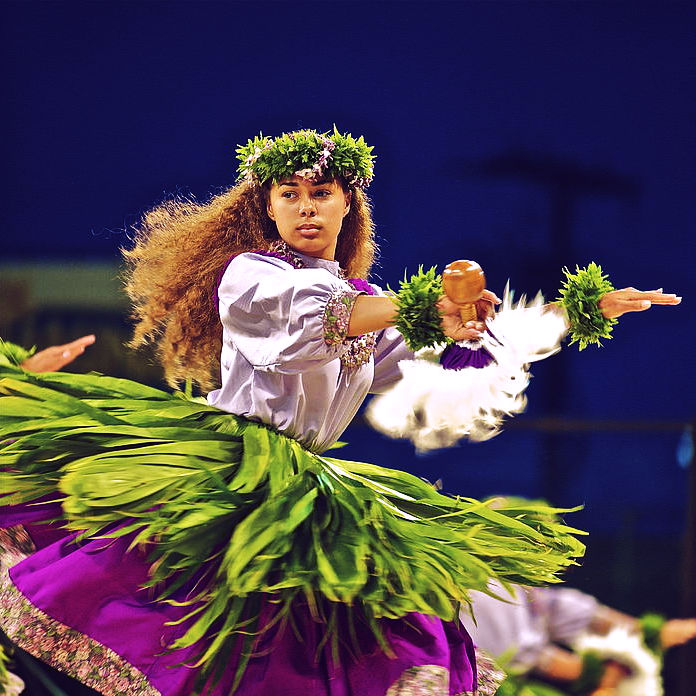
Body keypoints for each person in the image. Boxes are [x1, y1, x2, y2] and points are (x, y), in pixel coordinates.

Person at [0, 128, 680, 696]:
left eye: (320, 193)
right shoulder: (251, 275)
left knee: (353, 627)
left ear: (346, 203)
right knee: (161, 606)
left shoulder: (363, 293)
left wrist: (577, 310)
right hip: (227, 471)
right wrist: (430, 307)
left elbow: (428, 361)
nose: (305, 207)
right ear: (267, 206)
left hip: (308, 483)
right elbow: (315, 328)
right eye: (288, 194)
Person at [459, 581, 696, 696]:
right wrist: (604, 674)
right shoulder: (486, 587)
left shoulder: (529, 593)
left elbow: (567, 611)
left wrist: (648, 632)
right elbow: (524, 652)